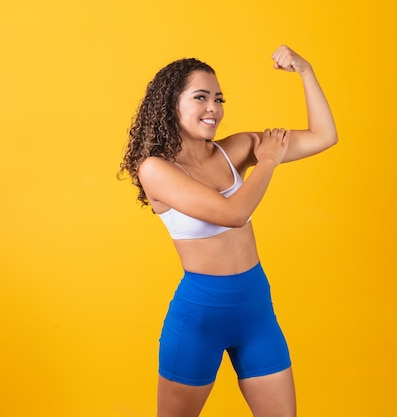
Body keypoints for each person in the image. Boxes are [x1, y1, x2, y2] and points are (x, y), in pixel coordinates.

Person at [118, 45, 337, 417]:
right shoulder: (155, 169)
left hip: (256, 308)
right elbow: (234, 213)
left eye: (218, 98)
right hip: (200, 316)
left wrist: (306, 71)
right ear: (171, 104)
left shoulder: (231, 150)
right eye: (200, 97)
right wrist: (267, 160)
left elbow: (323, 135)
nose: (213, 108)